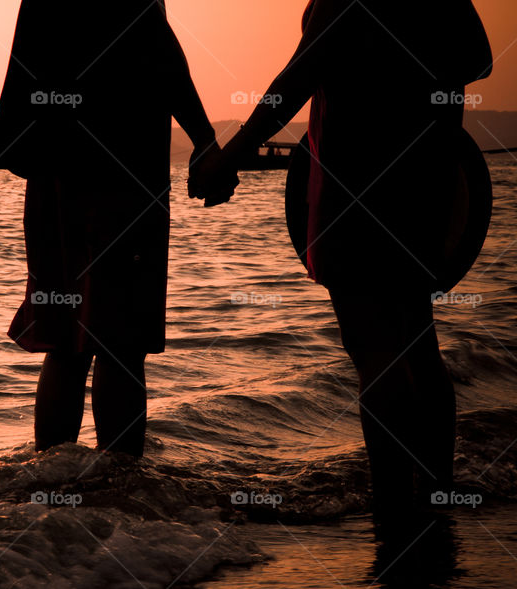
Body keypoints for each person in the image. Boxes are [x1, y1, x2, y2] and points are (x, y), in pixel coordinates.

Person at [196, 0, 492, 515]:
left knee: (375, 349)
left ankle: (394, 510)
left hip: (356, 188)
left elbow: (296, 79)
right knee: (417, 339)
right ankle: (436, 495)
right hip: (429, 182)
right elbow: (478, 60)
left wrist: (231, 152)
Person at [0, 0, 237, 457]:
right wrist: (204, 139)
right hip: (123, 174)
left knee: (66, 340)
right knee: (120, 345)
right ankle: (120, 496)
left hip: (55, 171)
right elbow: (162, 55)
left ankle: (52, 493)